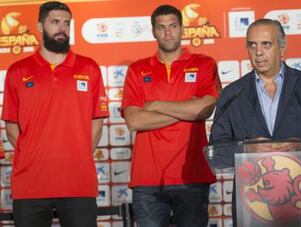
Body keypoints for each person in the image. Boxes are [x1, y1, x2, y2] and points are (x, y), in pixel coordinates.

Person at [210, 18, 301, 226]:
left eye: (266, 44)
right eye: (252, 45)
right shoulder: (233, 94)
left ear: (282, 47)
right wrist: (249, 149)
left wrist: (298, 146)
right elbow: (218, 148)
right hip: (250, 204)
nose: (258, 52)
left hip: (300, 201)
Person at [1, 1, 108, 226]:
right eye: (55, 22)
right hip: (30, 183)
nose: (62, 28)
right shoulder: (18, 71)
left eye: (67, 23)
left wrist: (76, 157)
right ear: (40, 26)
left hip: (78, 182)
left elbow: (97, 121)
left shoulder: (89, 68)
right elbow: (12, 126)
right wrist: (35, 155)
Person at [121, 5, 221, 227]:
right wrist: (189, 109)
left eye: (173, 26)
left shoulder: (204, 64)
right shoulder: (137, 69)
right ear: (154, 31)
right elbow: (134, 120)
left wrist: (155, 105)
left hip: (192, 175)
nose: (168, 32)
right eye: (161, 27)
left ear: (182, 28)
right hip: (148, 179)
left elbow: (205, 109)